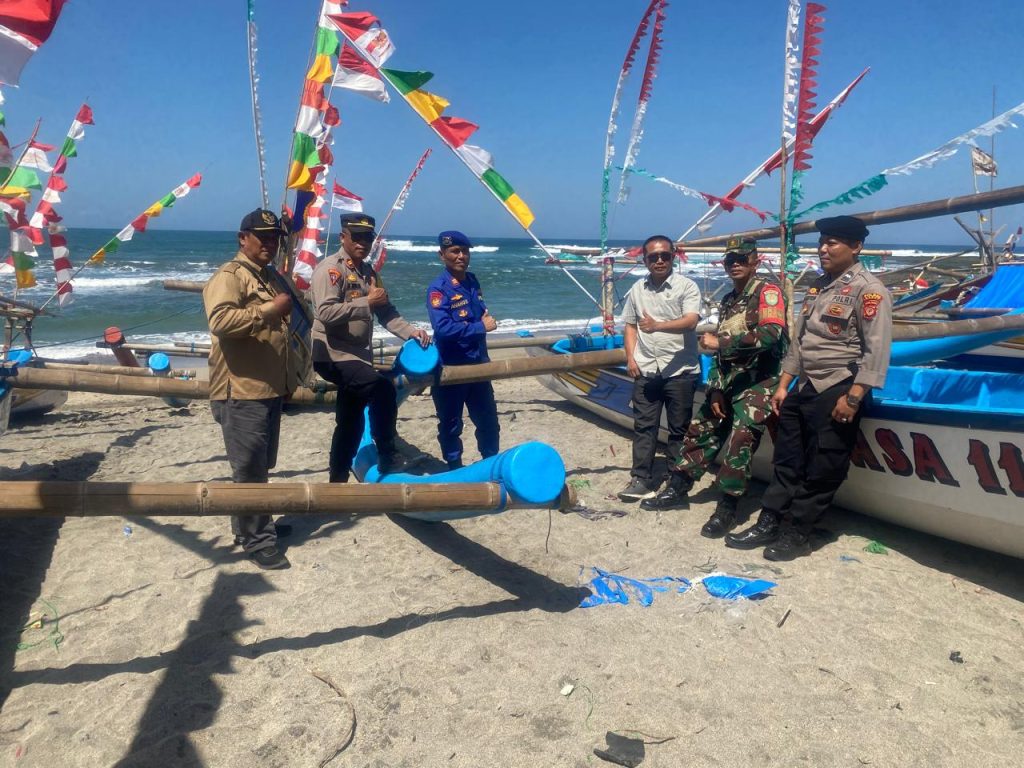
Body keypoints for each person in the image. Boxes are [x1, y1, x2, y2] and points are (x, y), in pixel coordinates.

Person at [725, 215, 892, 560]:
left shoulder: (869, 290)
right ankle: (769, 520)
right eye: (822, 242)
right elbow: (799, 342)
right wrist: (784, 384)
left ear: (856, 247)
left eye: (833, 242)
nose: (823, 248)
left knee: (824, 464)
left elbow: (877, 350)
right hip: (804, 387)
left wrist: (854, 397)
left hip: (839, 385)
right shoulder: (818, 286)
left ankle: (798, 532)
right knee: (786, 459)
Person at [641, 237, 787, 539]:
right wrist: (717, 388)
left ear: (754, 261)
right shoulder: (729, 301)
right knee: (701, 429)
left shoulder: (767, 293)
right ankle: (679, 487)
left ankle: (728, 508)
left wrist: (721, 342)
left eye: (741, 259)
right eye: (729, 260)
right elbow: (721, 355)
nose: (734, 264)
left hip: (758, 383)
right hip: (729, 382)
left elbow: (771, 335)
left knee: (740, 441)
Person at [203, 208, 294, 570]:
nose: (270, 244)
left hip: (267, 387)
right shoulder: (231, 276)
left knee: (259, 464)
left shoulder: (268, 276)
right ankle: (258, 539)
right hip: (240, 390)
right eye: (263, 237)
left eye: (275, 238)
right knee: (250, 469)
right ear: (243, 237)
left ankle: (251, 525)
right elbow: (221, 321)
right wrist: (271, 309)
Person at [310, 212, 430, 482]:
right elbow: (325, 313)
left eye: (368, 237)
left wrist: (412, 332)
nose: (363, 242)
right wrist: (367, 302)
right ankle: (388, 454)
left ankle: (337, 481)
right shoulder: (330, 269)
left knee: (350, 422)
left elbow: (386, 312)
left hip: (357, 358)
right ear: (343, 237)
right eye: (357, 237)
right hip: (333, 355)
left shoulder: (369, 273)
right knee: (382, 389)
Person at [618, 235, 702, 501]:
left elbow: (690, 321)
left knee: (679, 429)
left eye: (664, 255)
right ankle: (641, 478)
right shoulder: (637, 289)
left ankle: (675, 481)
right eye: (653, 256)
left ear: (673, 257)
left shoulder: (687, 286)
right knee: (644, 427)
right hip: (646, 369)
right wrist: (631, 358)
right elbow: (630, 325)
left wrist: (658, 326)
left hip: (680, 371)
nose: (659, 260)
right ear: (645, 260)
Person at [426, 230, 500, 470]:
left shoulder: (472, 281)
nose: (461, 256)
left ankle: (489, 465)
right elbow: (443, 329)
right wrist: (481, 326)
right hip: (451, 369)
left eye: (465, 251)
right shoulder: (438, 289)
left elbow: (479, 313)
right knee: (450, 424)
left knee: (488, 422)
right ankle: (454, 468)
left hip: (478, 365)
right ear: (442, 255)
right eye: (455, 251)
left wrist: (484, 320)